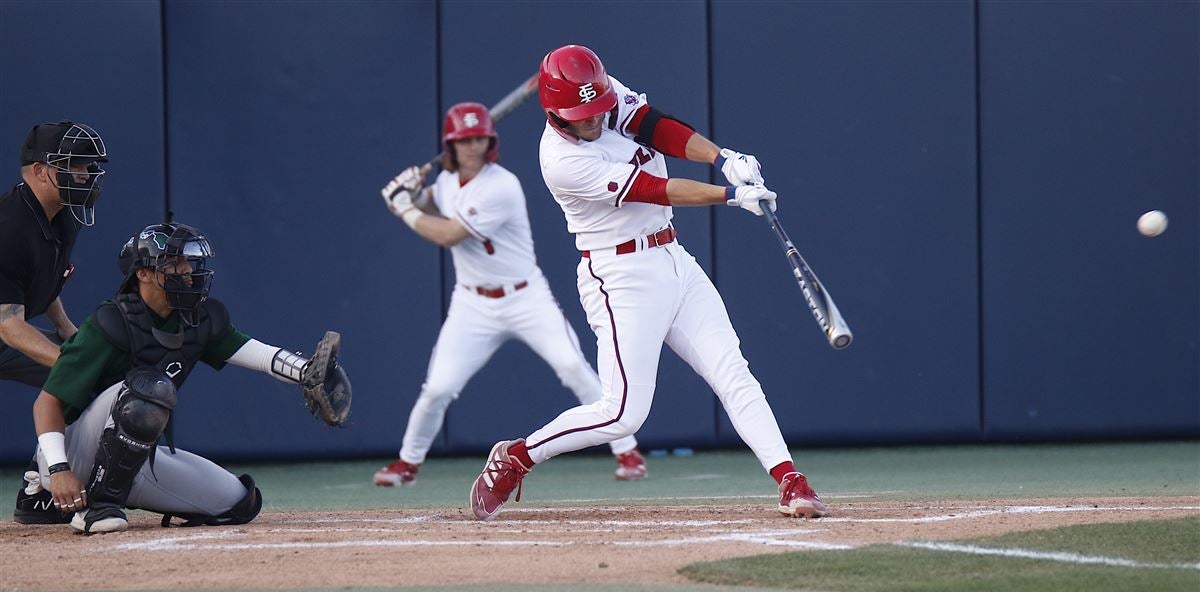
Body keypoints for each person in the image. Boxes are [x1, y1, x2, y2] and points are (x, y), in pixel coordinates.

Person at [468, 45, 827, 521]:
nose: (595, 119)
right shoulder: (560, 160)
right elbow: (653, 187)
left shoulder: (601, 93)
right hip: (620, 277)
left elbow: (653, 126)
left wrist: (724, 157)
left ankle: (790, 480)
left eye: (597, 108)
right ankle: (516, 458)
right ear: (556, 113)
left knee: (732, 370)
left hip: (672, 257)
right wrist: (732, 195)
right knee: (623, 414)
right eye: (583, 114)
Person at [375, 102, 647, 488]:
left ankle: (628, 451)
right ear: (451, 145)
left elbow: (448, 233)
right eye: (464, 139)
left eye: (479, 138)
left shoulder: (501, 186)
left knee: (573, 367)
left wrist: (402, 208)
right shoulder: (448, 184)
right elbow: (433, 202)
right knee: (437, 387)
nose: (473, 146)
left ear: (491, 142)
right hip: (472, 303)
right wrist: (412, 193)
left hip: (526, 298)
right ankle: (407, 463)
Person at [23, 221, 351, 534]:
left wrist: (305, 371)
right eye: (175, 265)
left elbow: (258, 354)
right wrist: (59, 469)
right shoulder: (110, 323)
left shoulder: (198, 319)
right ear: (144, 273)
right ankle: (90, 505)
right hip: (72, 450)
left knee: (238, 502)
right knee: (149, 391)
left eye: (189, 264)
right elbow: (47, 403)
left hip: (130, 457)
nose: (189, 274)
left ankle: (108, 493)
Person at [1, 120, 106, 388]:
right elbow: (8, 326)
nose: (84, 174)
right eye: (72, 165)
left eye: (87, 165)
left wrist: (65, 327)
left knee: (105, 373)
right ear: (39, 171)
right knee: (83, 372)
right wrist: (69, 364)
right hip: (6, 329)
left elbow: (43, 277)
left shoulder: (64, 216)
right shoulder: (9, 230)